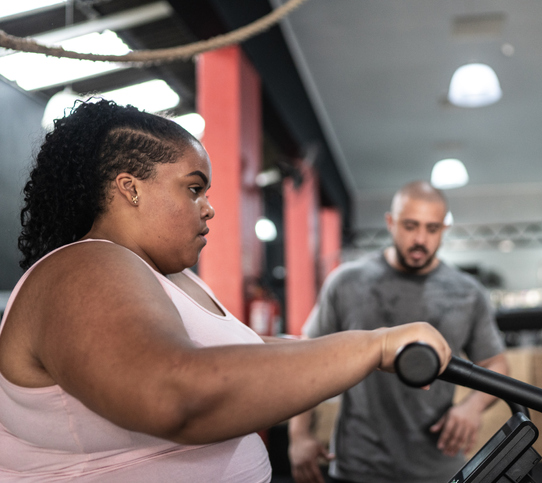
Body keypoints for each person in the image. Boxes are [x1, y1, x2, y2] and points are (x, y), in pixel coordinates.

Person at [0, 99, 452, 482]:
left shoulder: (165, 276)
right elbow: (175, 394)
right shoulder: (83, 267)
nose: (210, 208)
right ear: (129, 188)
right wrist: (370, 346)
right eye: (194, 189)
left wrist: (373, 355)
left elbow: (246, 352)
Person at [288, 181, 508, 483]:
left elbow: (496, 364)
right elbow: (306, 360)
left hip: (438, 467)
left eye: (432, 229)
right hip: (359, 464)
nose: (420, 239)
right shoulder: (346, 282)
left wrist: (472, 407)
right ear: (390, 223)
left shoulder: (468, 293)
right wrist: (298, 435)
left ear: (444, 229)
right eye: (410, 226)